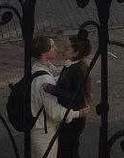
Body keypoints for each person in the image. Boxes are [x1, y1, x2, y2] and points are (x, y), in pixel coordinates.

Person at [29, 35, 83, 158]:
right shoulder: (44, 80)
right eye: (52, 47)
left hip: (37, 127)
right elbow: (55, 113)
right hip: (44, 132)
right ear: (45, 53)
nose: (57, 49)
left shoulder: (36, 68)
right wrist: (79, 113)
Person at [47, 29, 91, 158]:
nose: (62, 50)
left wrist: (52, 89)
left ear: (75, 53)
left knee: (66, 149)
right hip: (72, 115)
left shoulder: (75, 71)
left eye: (67, 49)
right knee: (70, 148)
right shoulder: (72, 66)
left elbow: (74, 95)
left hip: (73, 117)